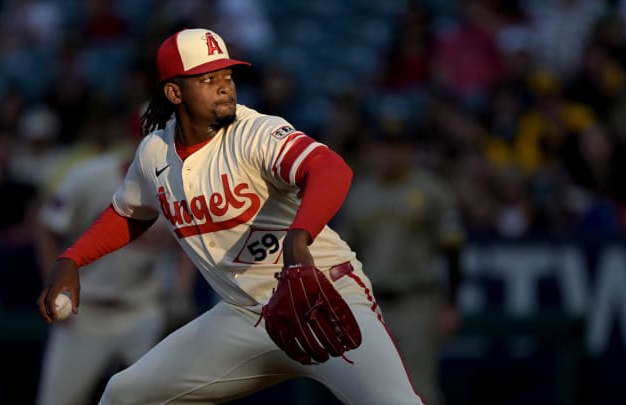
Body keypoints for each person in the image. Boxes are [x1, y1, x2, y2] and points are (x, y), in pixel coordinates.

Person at [37, 28, 423, 404]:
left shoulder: (253, 131)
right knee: (126, 394)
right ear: (174, 92)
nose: (225, 86)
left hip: (324, 294)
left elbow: (331, 169)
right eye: (208, 79)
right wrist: (73, 257)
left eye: (227, 75)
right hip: (243, 315)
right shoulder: (154, 151)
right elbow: (130, 212)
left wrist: (299, 234)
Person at [34, 146, 193, 405]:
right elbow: (47, 226)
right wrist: (52, 282)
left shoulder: (179, 185)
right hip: (85, 311)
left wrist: (181, 289)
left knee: (160, 399)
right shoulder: (90, 177)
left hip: (142, 310)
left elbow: (187, 242)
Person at [338, 122, 464, 405]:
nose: (387, 155)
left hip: (416, 301)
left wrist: (452, 303)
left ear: (409, 151)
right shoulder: (359, 194)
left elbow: (453, 248)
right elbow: (345, 254)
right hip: (370, 304)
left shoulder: (431, 190)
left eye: (396, 147)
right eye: (381, 147)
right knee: (371, 390)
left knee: (418, 388)